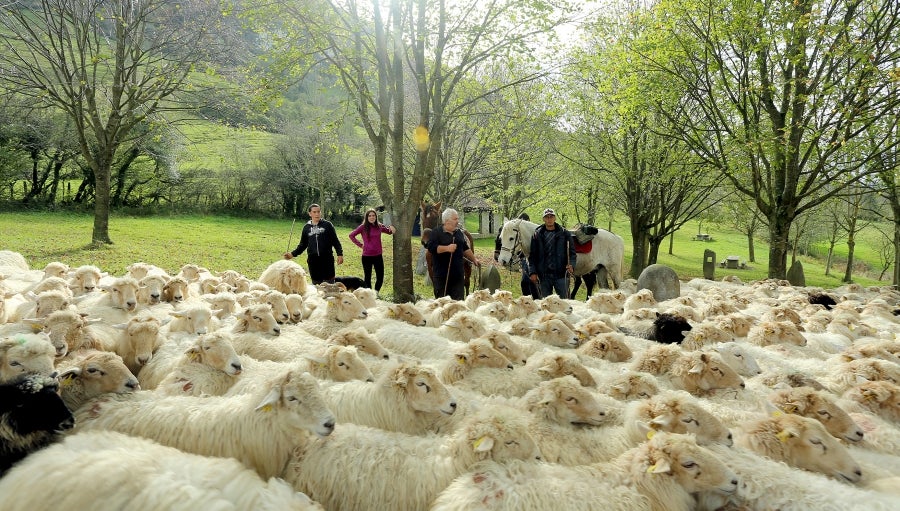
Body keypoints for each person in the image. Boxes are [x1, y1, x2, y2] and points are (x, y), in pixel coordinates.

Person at [283, 203, 344, 285]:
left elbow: (335, 241)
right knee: (316, 285)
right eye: (314, 212)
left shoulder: (327, 225)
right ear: (310, 213)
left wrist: (340, 254)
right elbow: (303, 245)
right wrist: (292, 254)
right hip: (313, 261)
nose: (317, 214)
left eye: (318, 212)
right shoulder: (306, 228)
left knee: (329, 285)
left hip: (327, 260)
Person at [426, 208, 478, 300]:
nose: (458, 221)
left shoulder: (459, 233)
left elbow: (465, 248)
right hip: (442, 277)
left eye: (458, 219)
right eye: (455, 219)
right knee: (443, 305)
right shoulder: (436, 233)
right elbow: (431, 248)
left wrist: (474, 259)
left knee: (458, 305)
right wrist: (447, 248)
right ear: (447, 221)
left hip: (458, 277)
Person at [529, 208, 575, 298]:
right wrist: (532, 272)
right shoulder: (537, 235)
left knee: (565, 302)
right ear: (543, 219)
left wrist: (572, 265)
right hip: (544, 276)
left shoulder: (564, 233)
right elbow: (532, 256)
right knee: (546, 304)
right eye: (547, 217)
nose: (549, 219)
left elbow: (572, 253)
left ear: (555, 218)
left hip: (561, 275)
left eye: (551, 217)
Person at [348, 208, 395, 292]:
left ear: (376, 217)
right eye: (369, 216)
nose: (372, 217)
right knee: (367, 277)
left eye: (373, 215)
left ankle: (376, 293)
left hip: (378, 256)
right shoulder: (362, 227)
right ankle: (369, 293)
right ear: (367, 217)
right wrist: (361, 245)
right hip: (367, 257)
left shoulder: (379, 226)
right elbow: (351, 235)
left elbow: (389, 231)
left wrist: (391, 228)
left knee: (380, 277)